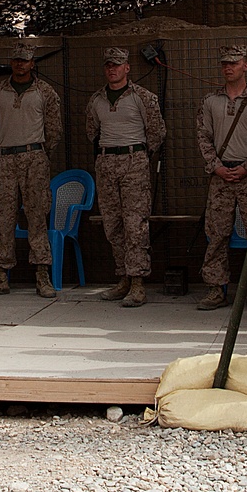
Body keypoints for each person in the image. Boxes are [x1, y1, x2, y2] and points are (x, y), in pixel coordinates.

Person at [85, 47, 168, 308]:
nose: (113, 69)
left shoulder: (143, 97)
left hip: (134, 162)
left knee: (135, 224)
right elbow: (92, 132)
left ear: (127, 68)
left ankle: (137, 282)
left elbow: (156, 132)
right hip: (106, 162)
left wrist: (139, 156)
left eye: (118, 65)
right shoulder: (96, 100)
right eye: (109, 65)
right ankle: (122, 277)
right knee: (113, 224)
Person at [0, 39, 64, 298]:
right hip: (6, 159)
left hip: (35, 158)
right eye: (16, 59)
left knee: (37, 216)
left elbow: (54, 130)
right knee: (4, 218)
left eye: (25, 60)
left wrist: (39, 152)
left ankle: (42, 275)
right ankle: (1, 276)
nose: (20, 64)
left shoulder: (45, 92)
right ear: (12, 62)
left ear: (32, 63)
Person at [196, 44, 247, 312]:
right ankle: (216, 288)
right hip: (220, 176)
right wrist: (216, 166)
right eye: (224, 63)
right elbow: (203, 137)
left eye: (233, 62)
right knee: (217, 233)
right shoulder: (210, 101)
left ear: (245, 65)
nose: (228, 67)